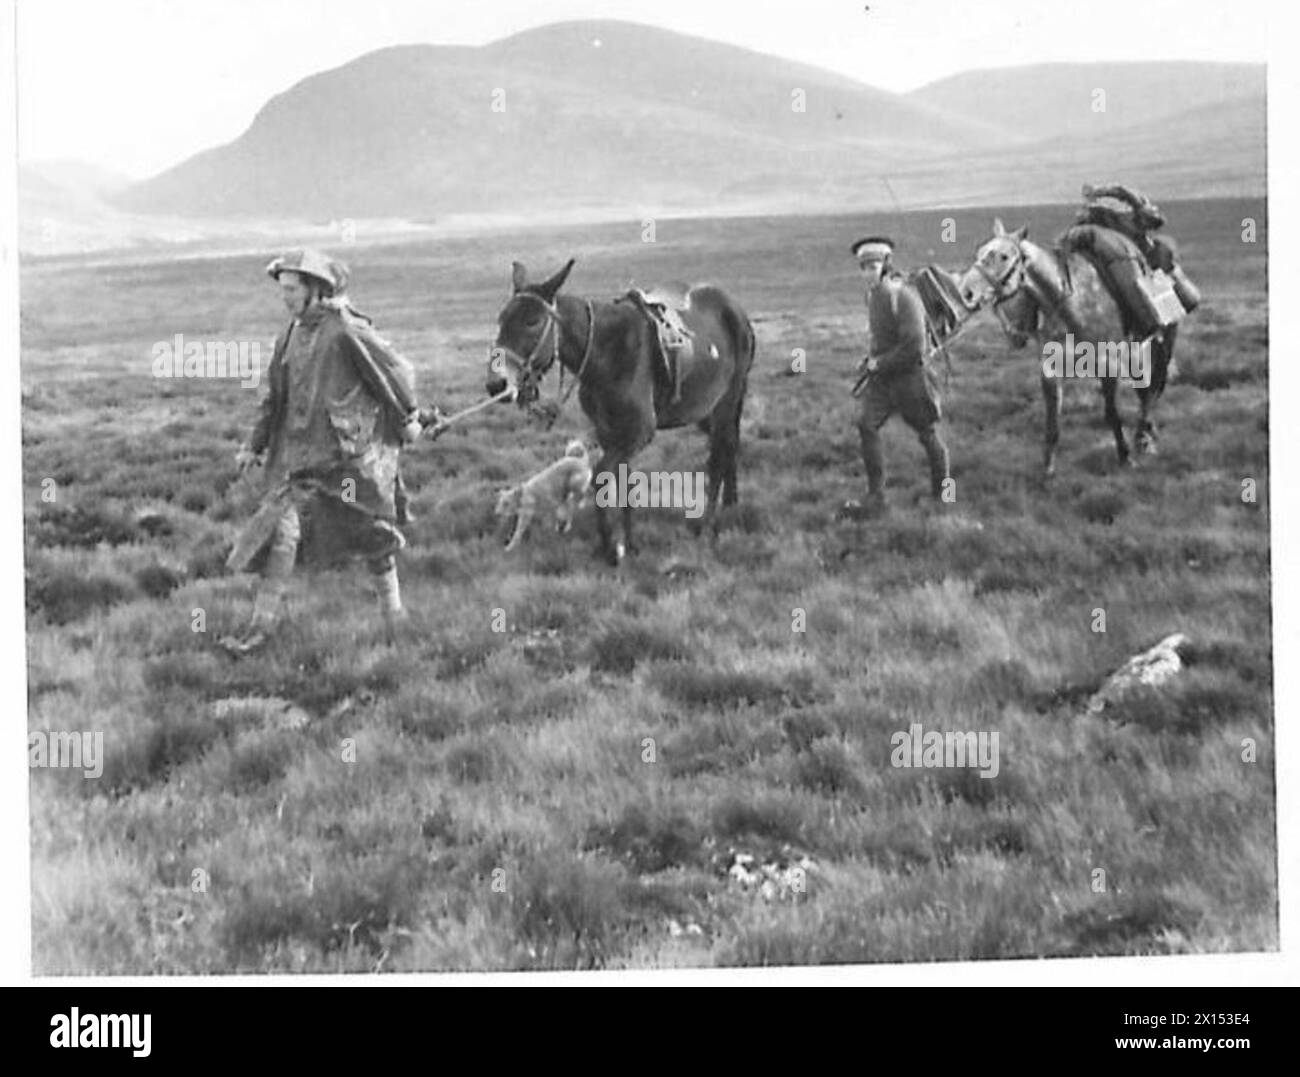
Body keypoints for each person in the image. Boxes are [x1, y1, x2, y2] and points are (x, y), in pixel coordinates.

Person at [222, 248, 427, 653]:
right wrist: (254, 445)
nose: (285, 297)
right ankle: (259, 631)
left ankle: (396, 618)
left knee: (371, 535)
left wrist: (409, 417)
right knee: (280, 532)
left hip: (346, 461)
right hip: (296, 461)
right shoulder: (289, 335)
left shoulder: (344, 331)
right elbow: (273, 398)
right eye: (282, 289)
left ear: (315, 288)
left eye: (292, 289)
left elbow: (394, 372)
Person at [851, 236, 950, 516]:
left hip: (910, 378)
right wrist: (870, 361)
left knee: (928, 434)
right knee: (865, 424)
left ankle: (942, 497)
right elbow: (880, 338)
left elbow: (914, 347)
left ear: (885, 265)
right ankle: (876, 496)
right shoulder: (872, 296)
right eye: (864, 267)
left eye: (873, 266)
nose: (868, 272)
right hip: (882, 380)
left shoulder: (902, 297)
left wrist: (878, 364)